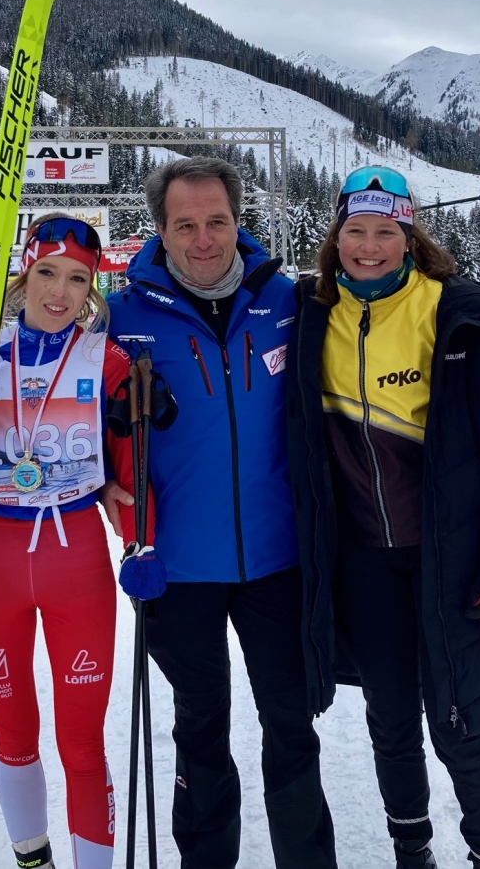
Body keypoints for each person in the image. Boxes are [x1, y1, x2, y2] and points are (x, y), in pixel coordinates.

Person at [286, 166, 480, 869]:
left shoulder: (460, 313)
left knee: (460, 724)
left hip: (453, 558)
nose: (369, 247)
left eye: (386, 232)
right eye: (356, 231)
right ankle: (413, 852)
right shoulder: (311, 312)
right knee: (391, 721)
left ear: (410, 237)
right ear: (335, 237)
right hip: (363, 561)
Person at [104, 157, 337, 869]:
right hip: (175, 567)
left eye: (218, 222)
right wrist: (100, 477)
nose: (204, 240)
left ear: (240, 221)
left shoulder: (288, 302)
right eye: (186, 225)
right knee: (200, 727)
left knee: (292, 726)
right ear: (160, 231)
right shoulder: (119, 317)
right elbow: (48, 388)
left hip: (278, 561)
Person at [0, 214, 136, 869]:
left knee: (81, 742)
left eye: (78, 278)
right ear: (24, 274)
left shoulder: (107, 358)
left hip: (75, 561)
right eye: (47, 272)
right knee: (14, 736)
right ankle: (32, 858)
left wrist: (138, 529)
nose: (60, 292)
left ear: (92, 288)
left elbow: (135, 455)